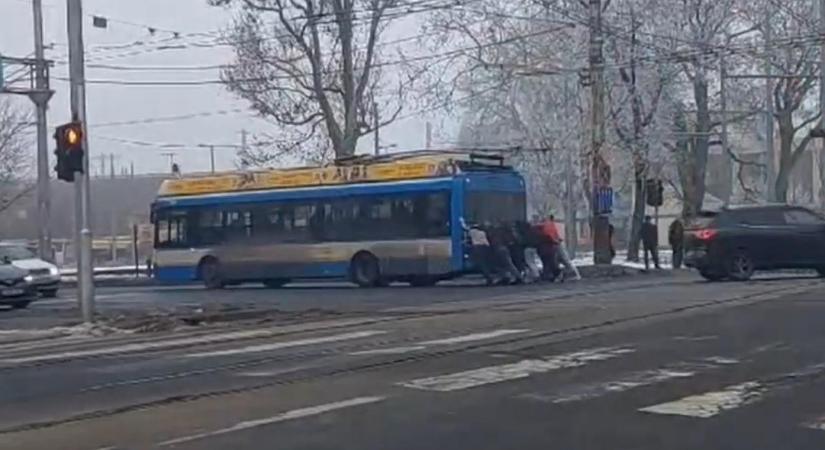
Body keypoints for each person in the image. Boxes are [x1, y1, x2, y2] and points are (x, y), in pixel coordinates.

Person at [461, 218, 496, 285]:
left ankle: (489, 278)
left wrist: (461, 221)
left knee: (482, 264)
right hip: (486, 247)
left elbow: (465, 228)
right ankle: (491, 277)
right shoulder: (482, 232)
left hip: (478, 248)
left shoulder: (473, 231)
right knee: (486, 263)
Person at [536, 215, 562, 281]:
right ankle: (555, 275)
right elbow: (553, 237)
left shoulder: (541, 230)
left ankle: (550, 275)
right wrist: (557, 241)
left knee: (548, 263)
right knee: (551, 262)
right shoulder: (551, 227)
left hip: (544, 249)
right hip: (550, 248)